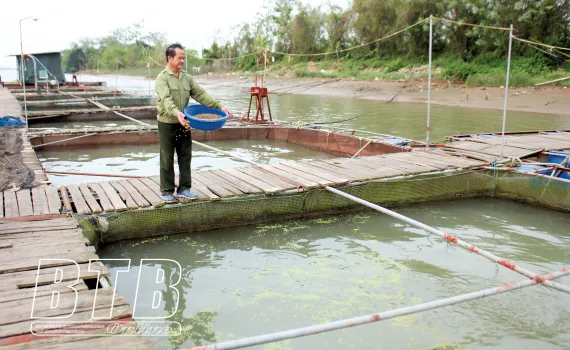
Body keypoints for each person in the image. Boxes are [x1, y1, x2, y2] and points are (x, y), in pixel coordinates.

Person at [155, 43, 232, 203]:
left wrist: (219, 106)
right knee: (167, 158)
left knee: (185, 156)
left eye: (184, 58)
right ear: (170, 58)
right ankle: (167, 190)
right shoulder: (162, 78)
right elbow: (166, 100)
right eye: (179, 58)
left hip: (185, 123)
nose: (182, 61)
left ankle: (184, 189)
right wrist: (177, 113)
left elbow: (201, 95)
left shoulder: (187, 78)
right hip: (167, 123)